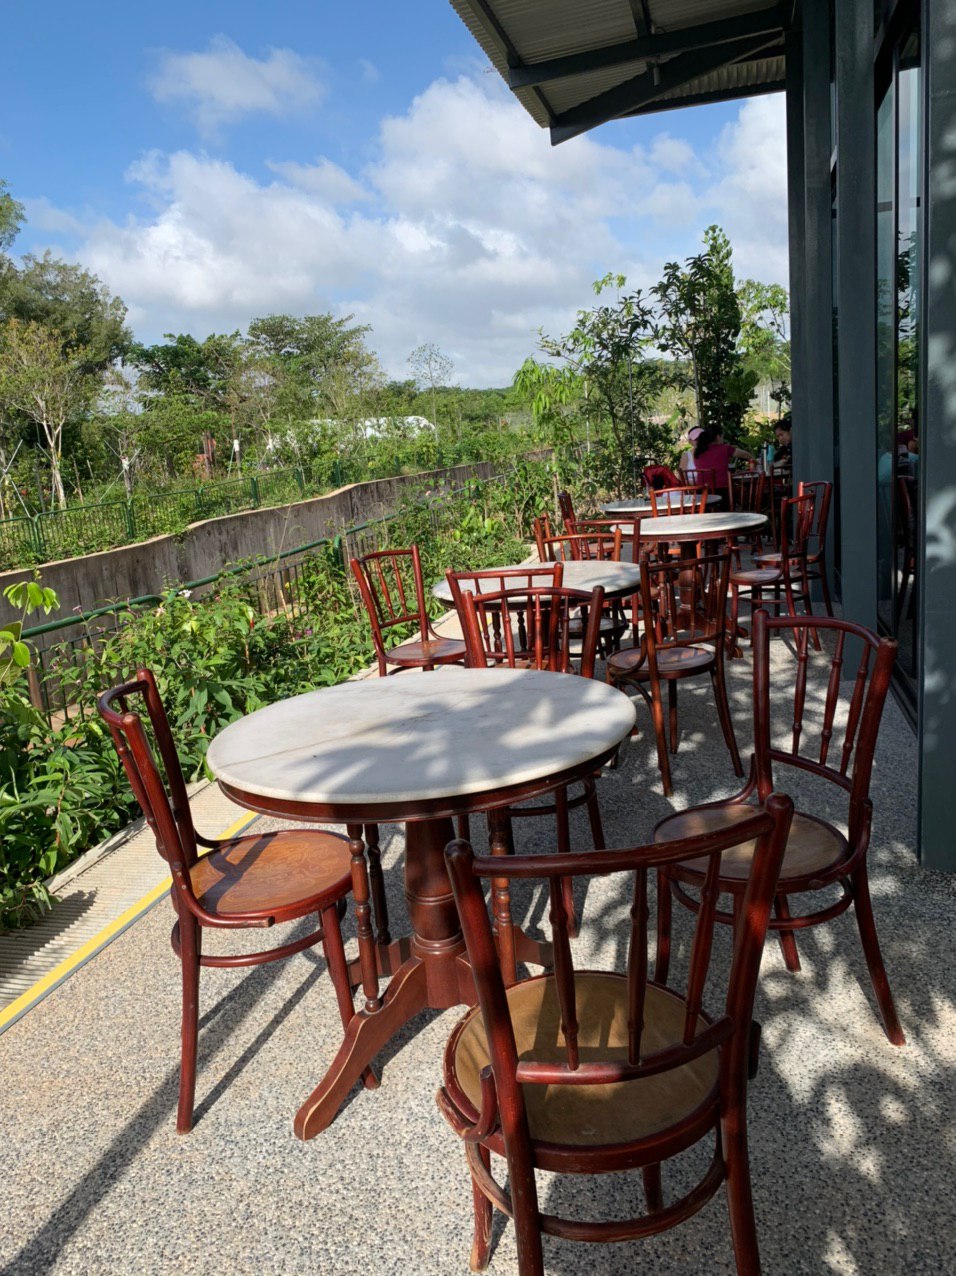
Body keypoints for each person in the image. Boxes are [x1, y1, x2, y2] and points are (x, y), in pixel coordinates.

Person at [690, 426, 754, 509]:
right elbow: (746, 455)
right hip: (721, 493)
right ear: (718, 437)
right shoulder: (724, 449)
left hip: (701, 494)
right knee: (739, 494)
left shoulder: (697, 452)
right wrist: (754, 461)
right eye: (722, 436)